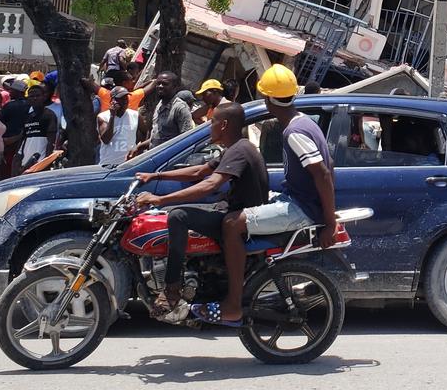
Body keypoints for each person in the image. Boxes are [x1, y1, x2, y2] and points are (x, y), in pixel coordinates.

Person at [212, 64, 336, 326]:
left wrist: (329, 223)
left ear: (268, 100)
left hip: (301, 208)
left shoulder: (294, 132)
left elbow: (323, 174)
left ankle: (233, 304)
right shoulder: (304, 122)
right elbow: (329, 166)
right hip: (297, 200)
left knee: (232, 224)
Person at [133, 103, 268, 321]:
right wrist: (155, 176)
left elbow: (209, 185)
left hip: (240, 220)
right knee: (176, 213)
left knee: (178, 216)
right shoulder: (236, 148)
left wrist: (160, 199)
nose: (209, 126)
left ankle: (172, 290)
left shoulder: (239, 150)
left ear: (223, 125)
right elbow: (199, 171)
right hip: (232, 213)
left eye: (212, 122)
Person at [134, 73, 190, 157]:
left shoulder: (180, 108)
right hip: (153, 156)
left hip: (167, 159)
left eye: (165, 84)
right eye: (158, 83)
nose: (160, 86)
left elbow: (186, 139)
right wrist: (139, 147)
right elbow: (158, 136)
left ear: (175, 86)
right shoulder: (160, 105)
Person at [17, 85, 59, 171]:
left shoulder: (49, 115)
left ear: (44, 97)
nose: (35, 98)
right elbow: (22, 142)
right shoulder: (27, 117)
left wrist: (45, 164)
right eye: (32, 96)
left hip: (40, 165)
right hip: (25, 165)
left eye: (37, 96)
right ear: (28, 99)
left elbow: (51, 143)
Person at [97, 87, 139, 165]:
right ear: (113, 101)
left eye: (126, 98)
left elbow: (145, 131)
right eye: (121, 99)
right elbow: (106, 140)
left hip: (129, 164)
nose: (125, 101)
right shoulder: (103, 117)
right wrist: (112, 116)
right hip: (108, 164)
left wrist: (138, 147)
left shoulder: (135, 115)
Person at [0, 77, 30, 171]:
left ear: (18, 91)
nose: (10, 92)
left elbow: (0, 122)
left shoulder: (9, 106)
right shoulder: (30, 105)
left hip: (9, 145)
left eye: (12, 90)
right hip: (25, 144)